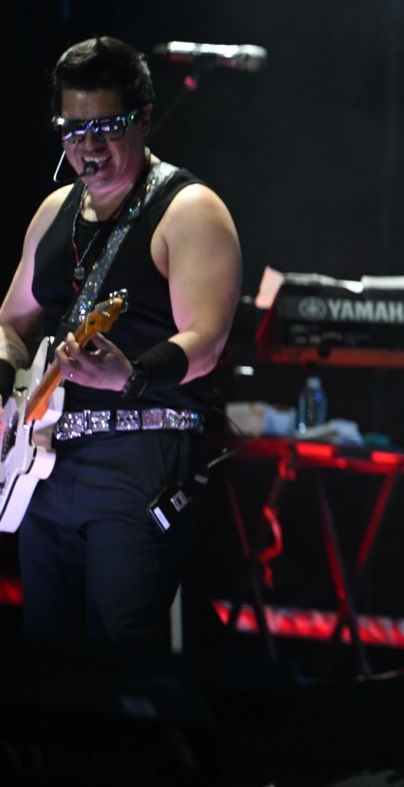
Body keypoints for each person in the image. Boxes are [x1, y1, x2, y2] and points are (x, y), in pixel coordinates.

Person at [0, 36, 242, 649]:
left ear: (145, 118)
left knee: (120, 653)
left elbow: (207, 340)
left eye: (107, 127)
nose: (88, 147)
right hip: (44, 462)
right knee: (45, 653)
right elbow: (10, 324)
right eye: (72, 130)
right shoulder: (54, 210)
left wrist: (131, 374)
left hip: (137, 461)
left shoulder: (189, 210)